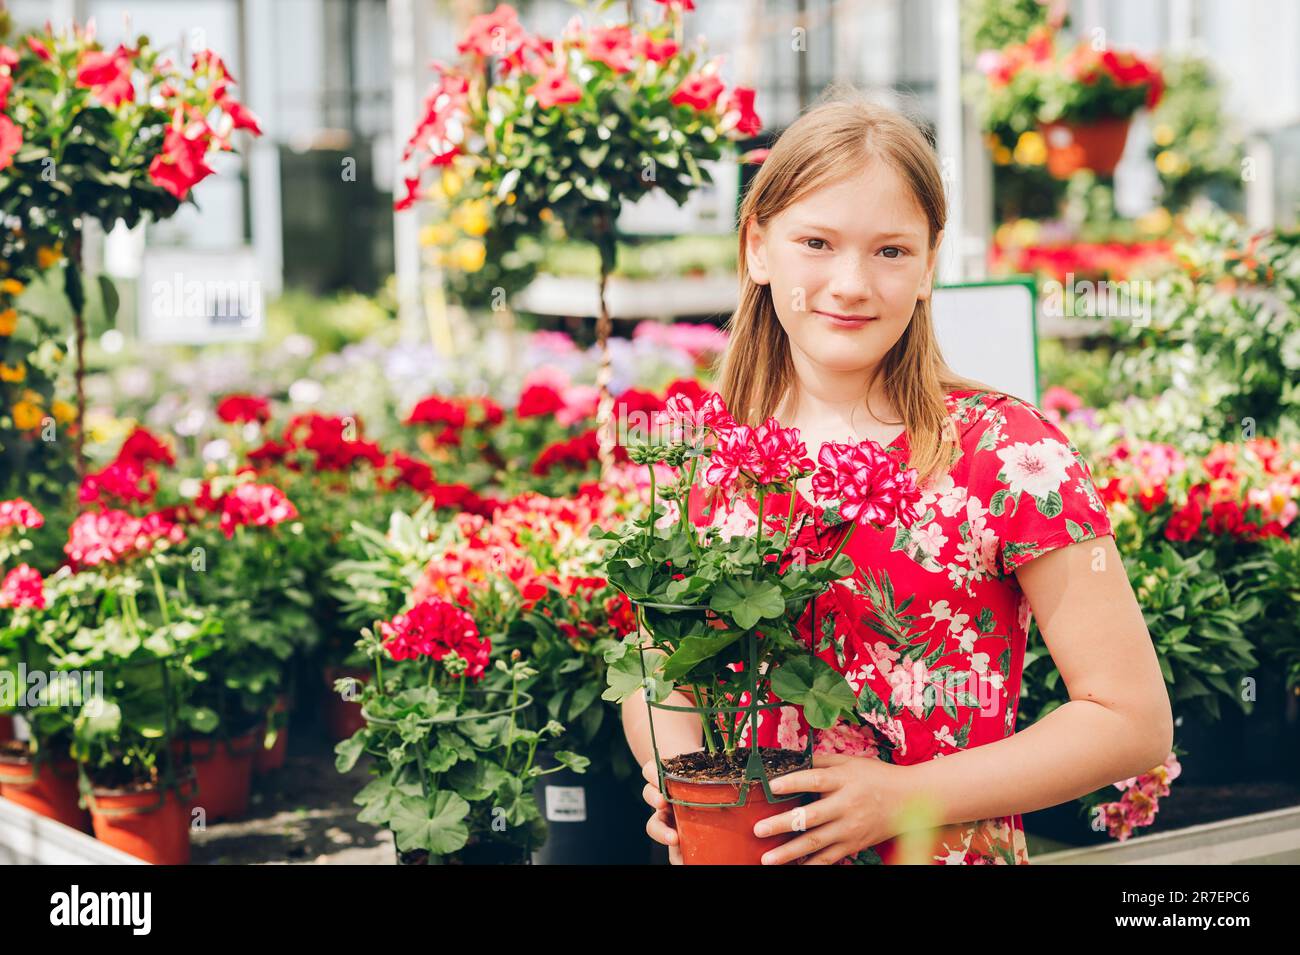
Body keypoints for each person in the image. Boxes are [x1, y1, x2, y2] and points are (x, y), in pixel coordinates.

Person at [620, 89, 1173, 865]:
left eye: (890, 251)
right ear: (755, 247)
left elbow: (1131, 719)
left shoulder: (1007, 453)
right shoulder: (709, 458)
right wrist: (679, 776)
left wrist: (904, 798)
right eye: (816, 243)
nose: (851, 283)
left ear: (927, 267)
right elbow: (658, 678)